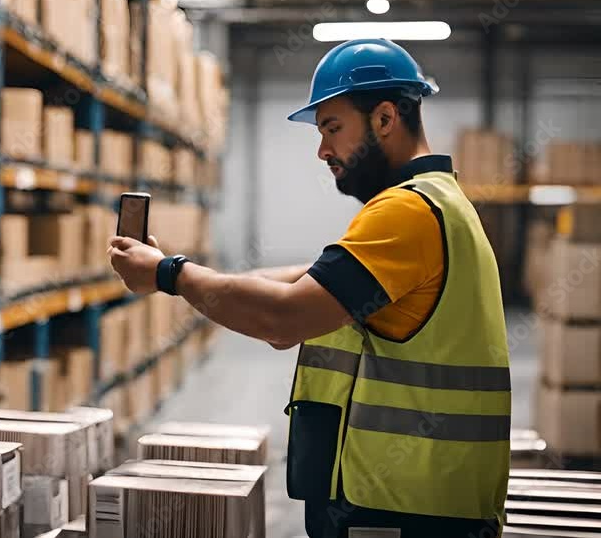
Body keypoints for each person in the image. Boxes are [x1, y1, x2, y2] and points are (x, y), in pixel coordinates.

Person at [108, 38, 510, 538]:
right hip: (417, 499)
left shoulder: (408, 212)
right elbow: (305, 282)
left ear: (385, 119)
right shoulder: (436, 202)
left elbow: (284, 318)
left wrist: (170, 274)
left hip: (404, 507)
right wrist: (178, 273)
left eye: (332, 128)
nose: (322, 151)